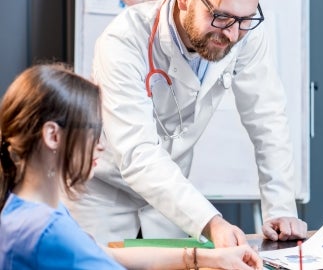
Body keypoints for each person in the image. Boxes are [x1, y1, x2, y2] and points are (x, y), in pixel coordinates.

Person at [65, 0, 306, 246]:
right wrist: (211, 222)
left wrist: (280, 208)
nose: (232, 33)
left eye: (245, 20)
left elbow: (268, 120)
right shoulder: (123, 41)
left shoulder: (245, 35)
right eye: (220, 17)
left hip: (169, 207)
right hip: (103, 198)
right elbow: (138, 153)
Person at [0, 63, 263, 269]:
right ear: (53, 135)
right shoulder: (46, 231)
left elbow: (110, 255)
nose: (101, 145)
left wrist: (211, 259)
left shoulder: (29, 211)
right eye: (93, 131)